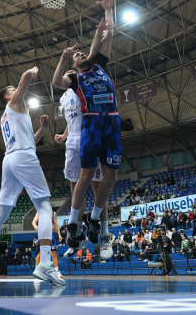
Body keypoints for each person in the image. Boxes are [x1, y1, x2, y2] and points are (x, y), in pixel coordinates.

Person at [0, 66, 63, 286]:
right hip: (22, 157)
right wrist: (33, 70)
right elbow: (25, 78)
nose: (18, 90)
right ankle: (45, 265)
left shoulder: (6, 117)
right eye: (13, 89)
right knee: (44, 207)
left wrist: (41, 129)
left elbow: (28, 140)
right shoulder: (14, 103)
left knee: (1, 213)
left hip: (10, 160)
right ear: (8, 96)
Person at [52, 0, 119, 252]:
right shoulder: (76, 79)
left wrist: (108, 11)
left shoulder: (100, 66)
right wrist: (64, 58)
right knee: (86, 175)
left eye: (81, 54)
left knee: (111, 178)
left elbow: (109, 36)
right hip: (92, 125)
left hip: (111, 122)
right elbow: (57, 81)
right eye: (76, 57)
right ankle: (73, 226)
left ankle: (94, 219)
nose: (79, 55)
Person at [54, 81, 111, 258]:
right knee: (75, 188)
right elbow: (72, 118)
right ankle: (77, 235)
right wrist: (65, 135)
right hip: (72, 143)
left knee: (97, 187)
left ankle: (104, 234)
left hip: (90, 138)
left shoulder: (87, 86)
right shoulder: (64, 97)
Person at [31, 210, 63, 274]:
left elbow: (56, 225)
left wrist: (59, 234)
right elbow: (34, 221)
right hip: (42, 235)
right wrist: (35, 226)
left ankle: (56, 271)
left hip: (51, 235)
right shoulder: (39, 212)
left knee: (53, 252)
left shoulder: (53, 213)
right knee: (40, 253)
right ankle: (36, 270)